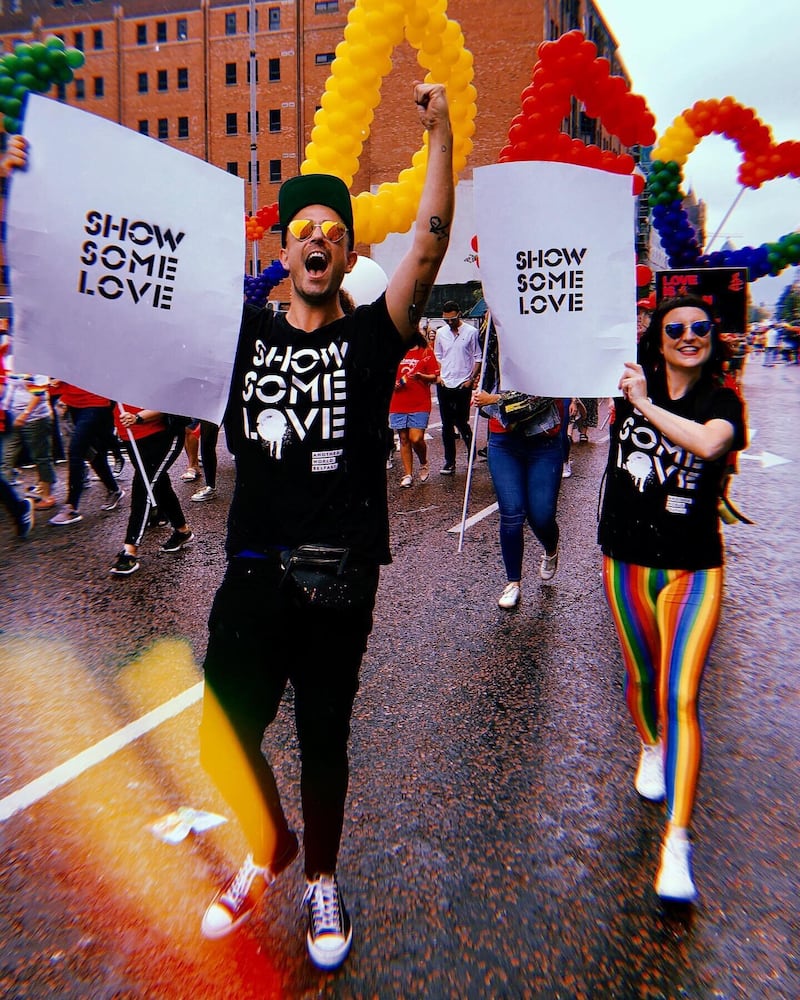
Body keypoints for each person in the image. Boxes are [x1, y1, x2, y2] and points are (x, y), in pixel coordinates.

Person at [198, 83, 453, 969]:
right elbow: (130, 303)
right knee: (219, 734)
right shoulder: (244, 335)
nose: (317, 237)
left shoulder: (374, 340)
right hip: (255, 568)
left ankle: (322, 881)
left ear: (347, 256)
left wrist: (440, 132)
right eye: (303, 226)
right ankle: (271, 843)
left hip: (339, 573)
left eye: (333, 231)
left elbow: (430, 242)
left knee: (322, 738)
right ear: (284, 247)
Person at [597, 294, 746, 903]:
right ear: (656, 339)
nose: (689, 336)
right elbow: (569, 351)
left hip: (692, 569)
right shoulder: (626, 381)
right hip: (626, 562)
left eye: (700, 328)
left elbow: (709, 446)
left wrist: (645, 406)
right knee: (642, 679)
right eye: (675, 328)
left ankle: (677, 844)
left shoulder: (722, 401)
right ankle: (651, 746)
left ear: (713, 338)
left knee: (681, 694)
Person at [472, 332, 564, 609]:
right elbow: (485, 382)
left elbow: (544, 395)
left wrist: (494, 400)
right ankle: (513, 582)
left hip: (543, 441)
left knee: (541, 515)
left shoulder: (550, 346)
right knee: (511, 512)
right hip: (503, 442)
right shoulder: (493, 340)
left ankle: (551, 548)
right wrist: (479, 397)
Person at [108, 405, 194, 576]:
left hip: (162, 435)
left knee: (143, 487)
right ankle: (182, 530)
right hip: (131, 437)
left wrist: (138, 417)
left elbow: (167, 402)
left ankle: (130, 550)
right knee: (159, 484)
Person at [47, 381, 124, 525]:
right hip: (73, 403)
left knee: (75, 450)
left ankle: (71, 506)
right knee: (91, 452)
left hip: (96, 402)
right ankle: (114, 489)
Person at [433, 300, 481, 474]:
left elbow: (478, 357)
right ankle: (449, 461)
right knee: (447, 424)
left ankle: (470, 452)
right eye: (446, 319)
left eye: (452, 319)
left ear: (459, 314)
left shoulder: (471, 332)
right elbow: (437, 355)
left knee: (462, 422)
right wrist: (439, 375)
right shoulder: (441, 333)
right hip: (445, 382)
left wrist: (471, 379)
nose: (449, 322)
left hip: (463, 382)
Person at [388, 326, 439, 487]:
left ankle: (423, 461)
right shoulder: (394, 350)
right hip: (397, 401)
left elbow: (435, 376)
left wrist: (421, 376)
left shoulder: (425, 351)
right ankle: (408, 474)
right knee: (403, 438)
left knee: (416, 438)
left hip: (419, 401)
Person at [0, 371, 57, 509]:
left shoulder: (36, 363)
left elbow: (39, 393)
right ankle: (6, 499)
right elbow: (9, 387)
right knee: (6, 457)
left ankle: (47, 496)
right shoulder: (10, 360)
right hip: (13, 417)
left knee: (41, 457)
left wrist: (24, 415)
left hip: (36, 418)